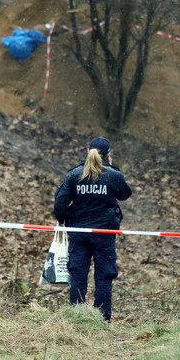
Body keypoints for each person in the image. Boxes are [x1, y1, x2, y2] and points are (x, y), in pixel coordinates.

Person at [53, 136, 133, 322]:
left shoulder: (74, 174)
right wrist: (112, 168)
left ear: (87, 152)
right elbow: (125, 194)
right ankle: (102, 320)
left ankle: (77, 319)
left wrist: (64, 220)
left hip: (78, 232)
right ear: (108, 155)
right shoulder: (114, 175)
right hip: (104, 233)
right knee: (104, 276)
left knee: (78, 276)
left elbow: (60, 202)